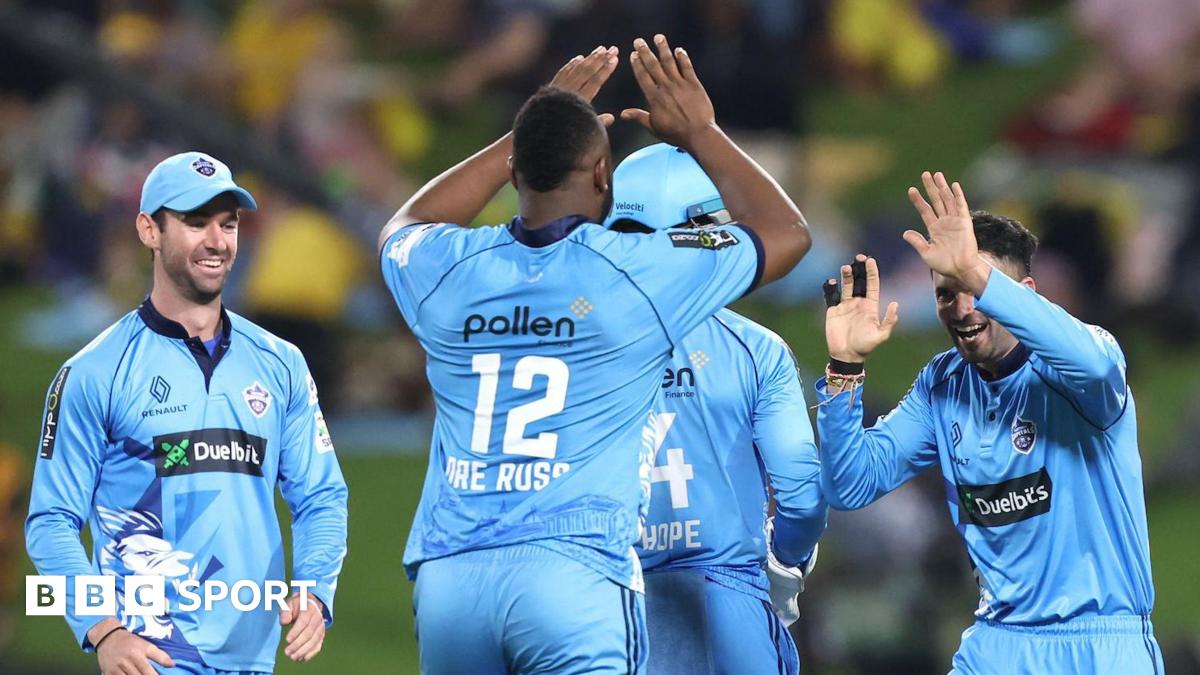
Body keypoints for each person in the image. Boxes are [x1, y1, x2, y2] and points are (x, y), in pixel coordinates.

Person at [378, 37, 810, 674]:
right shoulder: (636, 276)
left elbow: (402, 226)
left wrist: (523, 136)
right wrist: (702, 131)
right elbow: (787, 233)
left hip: (451, 578)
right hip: (572, 573)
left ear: (516, 171)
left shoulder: (449, 270)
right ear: (605, 173)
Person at [816, 171, 1163, 674]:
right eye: (945, 293)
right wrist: (845, 368)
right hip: (997, 644)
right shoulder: (942, 385)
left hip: (1100, 643)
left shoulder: (1080, 365)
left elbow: (1097, 367)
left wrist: (978, 277)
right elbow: (849, 485)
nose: (961, 309)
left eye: (975, 288)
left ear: (1021, 292)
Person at [25, 152, 349, 674]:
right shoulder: (93, 372)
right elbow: (51, 520)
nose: (217, 241)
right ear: (148, 230)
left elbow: (322, 495)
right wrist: (103, 631)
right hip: (154, 657)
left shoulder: (281, 363)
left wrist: (315, 590)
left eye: (229, 224)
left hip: (252, 659)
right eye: (196, 223)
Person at [604, 142, 826, 675]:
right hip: (730, 607)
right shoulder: (757, 349)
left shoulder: (576, 345)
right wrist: (783, 572)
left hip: (607, 614)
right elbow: (799, 495)